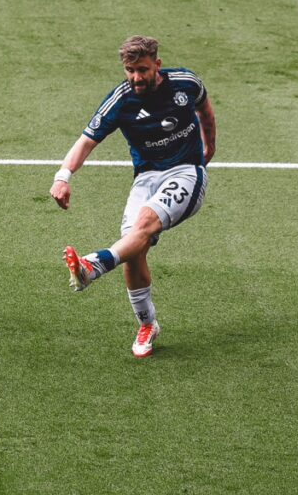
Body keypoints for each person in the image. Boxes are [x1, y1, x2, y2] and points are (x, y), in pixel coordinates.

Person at [50, 35, 217, 358]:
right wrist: (63, 177)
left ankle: (92, 266)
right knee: (133, 248)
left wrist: (210, 146)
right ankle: (148, 324)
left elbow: (205, 110)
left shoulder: (185, 82)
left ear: (157, 63)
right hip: (146, 178)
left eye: (142, 69)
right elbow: (86, 141)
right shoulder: (121, 100)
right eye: (130, 70)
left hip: (185, 172)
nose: (136, 77)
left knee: (144, 223)